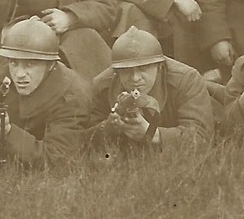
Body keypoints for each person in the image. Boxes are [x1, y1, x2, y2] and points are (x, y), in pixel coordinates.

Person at [0, 17, 93, 168]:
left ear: (50, 65)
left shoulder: (72, 96)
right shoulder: (3, 61)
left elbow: (57, 159)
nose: (19, 74)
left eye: (30, 65)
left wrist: (8, 134)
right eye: (14, 63)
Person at [87, 26, 215, 155]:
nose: (135, 78)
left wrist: (153, 133)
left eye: (143, 68)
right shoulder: (103, 84)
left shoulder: (187, 79)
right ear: (116, 71)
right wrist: (108, 128)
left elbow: (201, 138)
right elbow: (87, 142)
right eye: (126, 70)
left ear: (159, 66)